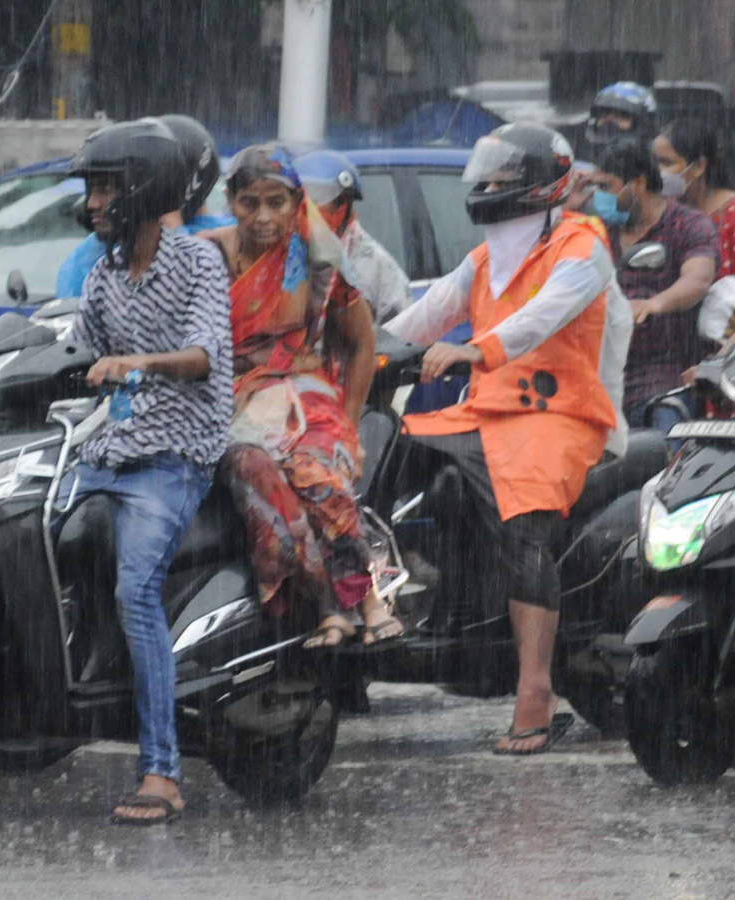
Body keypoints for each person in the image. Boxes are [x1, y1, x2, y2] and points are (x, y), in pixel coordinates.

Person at [386, 123, 633, 754]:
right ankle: (394, 598)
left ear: (539, 187)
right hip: (485, 410)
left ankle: (535, 689)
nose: (486, 187)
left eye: (501, 179)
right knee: (390, 452)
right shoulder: (484, 257)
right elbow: (417, 320)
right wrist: (360, 352)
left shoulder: (585, 245)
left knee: (521, 525)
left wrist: (476, 348)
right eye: (485, 177)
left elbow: (543, 316)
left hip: (561, 416)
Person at [61, 119, 233, 824]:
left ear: (142, 190)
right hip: (109, 448)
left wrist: (139, 365)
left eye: (105, 187)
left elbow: (203, 357)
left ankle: (160, 770)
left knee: (136, 589)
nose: (94, 201)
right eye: (92, 188)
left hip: (177, 451)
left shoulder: (196, 264)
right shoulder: (102, 277)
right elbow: (76, 354)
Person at [201, 144, 401, 650]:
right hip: (230, 404)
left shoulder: (316, 256)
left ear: (295, 201)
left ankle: (366, 597)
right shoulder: (207, 257)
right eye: (251, 203)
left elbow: (361, 343)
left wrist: (349, 424)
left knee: (315, 473)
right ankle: (327, 605)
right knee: (257, 473)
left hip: (305, 397)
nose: (264, 217)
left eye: (277, 202)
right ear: (230, 200)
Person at [588, 137, 719, 430]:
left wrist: (653, 303)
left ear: (637, 184)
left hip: (661, 381)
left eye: (606, 187)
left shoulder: (687, 224)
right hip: (598, 382)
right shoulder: (596, 230)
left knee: (662, 460)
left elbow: (698, 279)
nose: (599, 197)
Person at [55, 114, 231, 299]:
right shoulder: (98, 261)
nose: (92, 204)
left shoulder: (219, 246)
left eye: (106, 188)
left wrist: (171, 229)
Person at [294, 149, 412, 323]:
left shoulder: (373, 263)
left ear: (345, 205)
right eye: (306, 199)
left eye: (323, 199)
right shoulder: (275, 251)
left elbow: (404, 335)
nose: (313, 210)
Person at [654, 118, 735, 279]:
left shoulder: (731, 215)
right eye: (654, 162)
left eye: (666, 162)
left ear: (699, 166)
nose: (657, 171)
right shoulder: (660, 209)